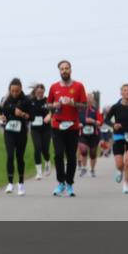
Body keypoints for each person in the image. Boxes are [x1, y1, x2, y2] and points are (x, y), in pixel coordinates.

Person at [46, 60, 88, 197]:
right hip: (57, 125)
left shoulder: (79, 86)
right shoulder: (53, 87)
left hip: (72, 126)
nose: (64, 71)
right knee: (58, 154)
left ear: (71, 70)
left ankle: (69, 184)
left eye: (66, 68)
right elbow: (48, 105)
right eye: (62, 69)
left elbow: (84, 106)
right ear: (59, 71)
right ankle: (60, 183)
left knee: (71, 156)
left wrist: (73, 103)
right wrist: (55, 106)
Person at [0, 79, 33, 196]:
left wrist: (23, 114)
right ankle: (10, 183)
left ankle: (21, 183)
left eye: (17, 91)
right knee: (10, 155)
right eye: (12, 91)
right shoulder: (5, 99)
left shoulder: (26, 100)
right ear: (9, 89)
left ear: (21, 89)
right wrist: (1, 118)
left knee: (19, 157)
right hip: (9, 131)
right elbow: (0, 113)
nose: (14, 93)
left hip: (21, 132)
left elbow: (31, 116)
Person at [27, 84, 52, 179]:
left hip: (46, 128)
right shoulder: (31, 101)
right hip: (35, 129)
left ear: (44, 92)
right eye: (38, 92)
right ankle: (39, 172)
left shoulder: (47, 100)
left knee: (45, 149)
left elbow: (54, 110)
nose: (40, 94)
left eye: (41, 92)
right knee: (37, 148)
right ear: (35, 92)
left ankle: (47, 161)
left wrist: (50, 115)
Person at [76, 93, 102, 178]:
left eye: (90, 98)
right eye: (87, 98)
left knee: (93, 152)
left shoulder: (95, 110)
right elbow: (75, 120)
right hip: (82, 134)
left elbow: (100, 122)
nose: (88, 100)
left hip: (94, 134)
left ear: (93, 100)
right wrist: (78, 124)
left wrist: (93, 121)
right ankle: (84, 168)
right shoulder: (79, 110)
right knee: (83, 149)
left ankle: (92, 170)